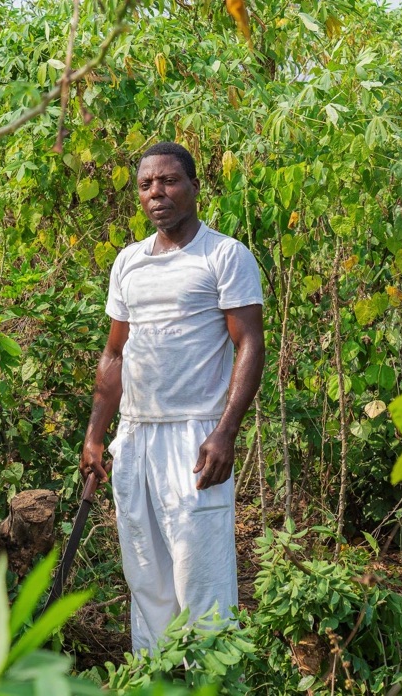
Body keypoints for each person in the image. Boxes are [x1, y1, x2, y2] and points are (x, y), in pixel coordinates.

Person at [79, 141, 265, 653]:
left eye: (169, 180)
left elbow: (249, 342)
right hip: (135, 437)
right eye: (146, 184)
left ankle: (211, 680)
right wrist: (96, 436)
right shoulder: (129, 262)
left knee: (200, 582)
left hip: (194, 438)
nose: (156, 192)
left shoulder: (224, 255)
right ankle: (154, 681)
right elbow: (115, 353)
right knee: (146, 580)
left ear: (194, 187)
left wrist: (224, 431)